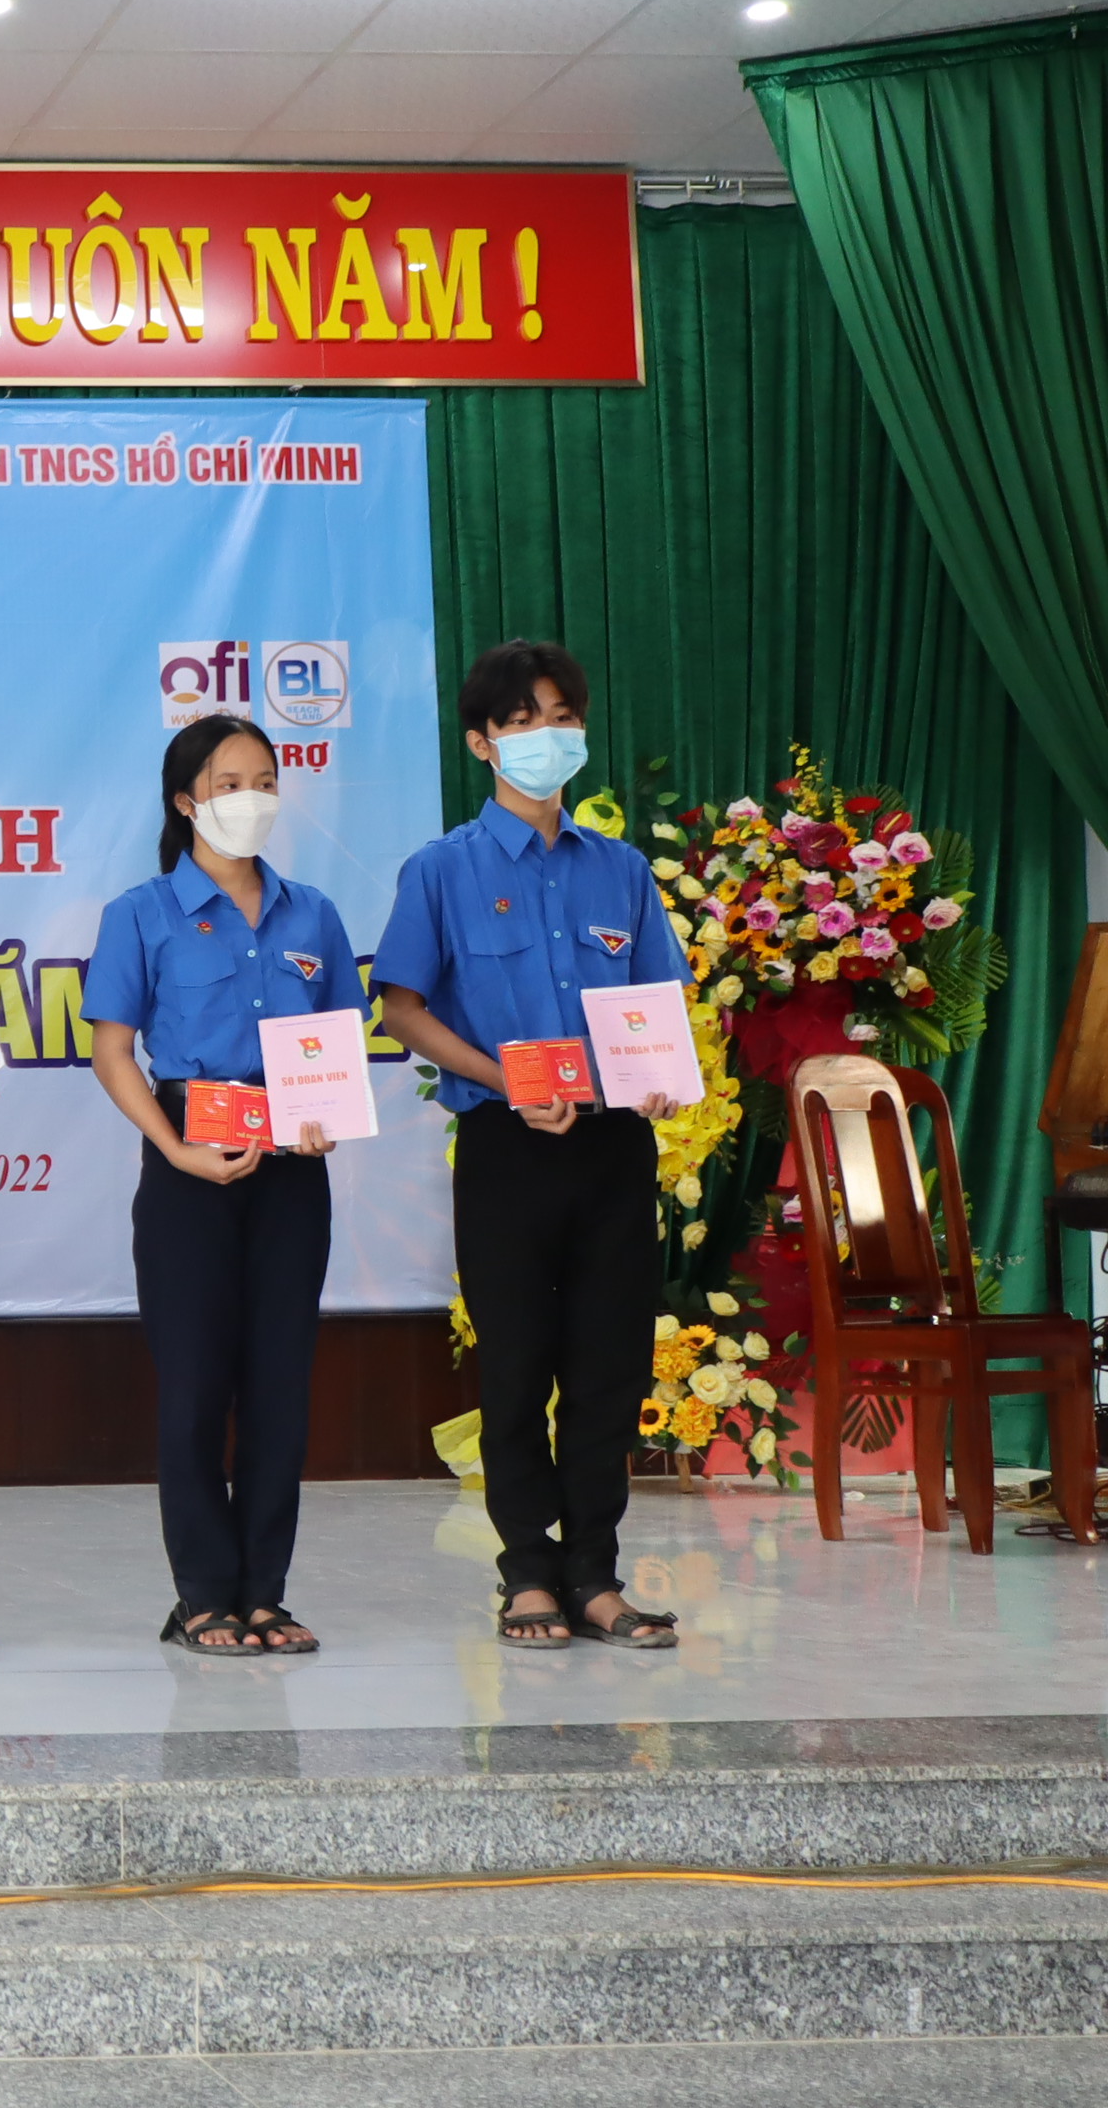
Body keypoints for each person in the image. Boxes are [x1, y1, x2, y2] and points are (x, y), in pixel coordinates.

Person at [376, 638, 688, 1652]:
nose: (544, 736)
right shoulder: (442, 870)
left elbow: (658, 1002)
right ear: (482, 743)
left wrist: (654, 1075)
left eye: (561, 717)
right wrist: (503, 1077)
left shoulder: (621, 871)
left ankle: (595, 1571)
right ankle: (526, 1570)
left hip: (612, 1147)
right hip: (505, 1146)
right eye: (520, 722)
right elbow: (402, 1006)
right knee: (515, 1362)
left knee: (609, 1365)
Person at [83, 715, 358, 1658]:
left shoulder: (312, 913)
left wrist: (325, 1111)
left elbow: (339, 1043)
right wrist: (174, 1148)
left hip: (292, 1170)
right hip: (189, 1163)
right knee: (196, 1386)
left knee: (280, 1385)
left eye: (266, 781)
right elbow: (112, 1051)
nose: (253, 799)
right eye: (230, 783)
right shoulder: (142, 913)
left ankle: (265, 1594)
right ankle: (203, 1595)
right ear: (185, 801)